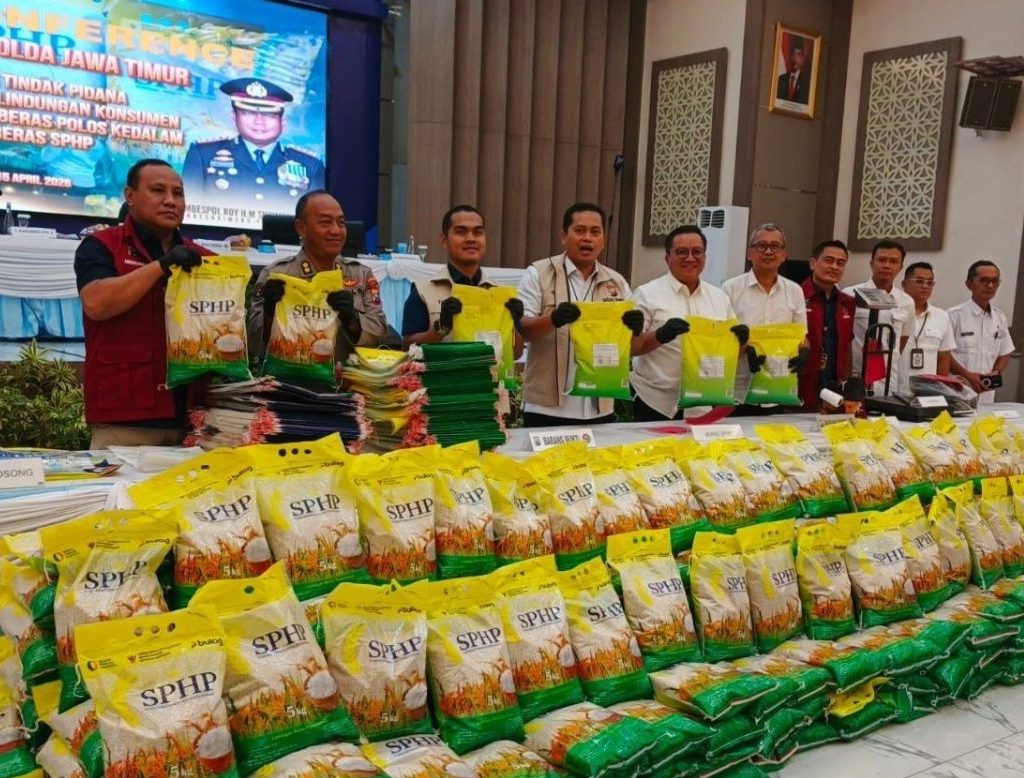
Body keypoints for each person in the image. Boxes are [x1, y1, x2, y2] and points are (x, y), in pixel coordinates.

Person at [74, 158, 213, 448]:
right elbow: (97, 303)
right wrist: (161, 266)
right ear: (130, 196)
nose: (170, 201)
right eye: (158, 190)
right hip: (126, 414)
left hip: (194, 418)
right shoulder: (102, 245)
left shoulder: (205, 258)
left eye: (178, 193)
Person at [517, 202, 632, 427]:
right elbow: (523, 329)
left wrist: (633, 329)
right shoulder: (538, 273)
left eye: (595, 232)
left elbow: (631, 347)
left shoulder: (617, 282)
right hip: (546, 408)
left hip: (599, 408)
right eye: (579, 231)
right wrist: (553, 319)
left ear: (603, 240)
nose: (587, 238)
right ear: (563, 236)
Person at [247, 190, 387, 370]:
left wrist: (353, 321)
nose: (336, 231)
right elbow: (253, 345)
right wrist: (269, 313)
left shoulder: (361, 275)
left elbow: (380, 336)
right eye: (325, 223)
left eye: (341, 223)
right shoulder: (276, 275)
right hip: (290, 380)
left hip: (346, 380)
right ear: (301, 228)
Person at [630, 225, 746, 422]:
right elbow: (632, 348)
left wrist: (741, 343)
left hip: (703, 403)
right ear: (667, 257)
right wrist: (660, 335)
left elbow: (732, 355)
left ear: (705, 257)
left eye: (697, 252)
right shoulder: (646, 294)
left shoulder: (720, 298)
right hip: (654, 402)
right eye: (682, 252)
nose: (690, 258)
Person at [182, 78, 325, 213]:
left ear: (283, 122)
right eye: (248, 113)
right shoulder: (203, 155)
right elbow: (188, 214)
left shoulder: (310, 165)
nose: (259, 122)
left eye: (269, 115)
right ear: (234, 117)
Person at [402, 205, 523, 357]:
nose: (471, 239)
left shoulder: (500, 294)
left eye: (478, 232)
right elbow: (406, 348)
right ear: (444, 240)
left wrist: (517, 325)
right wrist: (440, 329)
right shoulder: (423, 291)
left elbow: (516, 354)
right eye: (461, 232)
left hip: (489, 373)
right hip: (442, 373)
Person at [722, 223, 808, 411]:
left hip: (778, 390)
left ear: (784, 254)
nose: (768, 252)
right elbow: (720, 342)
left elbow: (802, 337)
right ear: (749, 253)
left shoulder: (795, 291)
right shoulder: (730, 289)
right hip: (738, 392)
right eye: (761, 246)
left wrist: (804, 351)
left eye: (775, 246)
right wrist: (745, 348)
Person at [843, 239, 915, 394]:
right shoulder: (849, 294)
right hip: (855, 377)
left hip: (887, 381)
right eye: (882, 260)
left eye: (893, 262)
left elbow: (902, 340)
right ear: (871, 263)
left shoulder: (907, 302)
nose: (887, 265)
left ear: (900, 267)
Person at [948, 260, 1016, 404]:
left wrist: (996, 372)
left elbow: (1006, 351)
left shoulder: (1000, 317)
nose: (990, 286)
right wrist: (967, 375)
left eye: (995, 281)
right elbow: (943, 354)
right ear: (969, 284)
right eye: (984, 280)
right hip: (958, 392)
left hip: (987, 395)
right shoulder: (953, 316)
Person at [800, 240, 856, 410]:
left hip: (834, 390)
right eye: (828, 260)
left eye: (840, 263)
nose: (834, 267)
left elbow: (847, 346)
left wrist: (847, 384)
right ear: (813, 263)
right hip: (800, 387)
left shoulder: (847, 302)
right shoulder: (796, 296)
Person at [898, 261, 956, 392]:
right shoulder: (894, 312)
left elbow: (943, 358)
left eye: (930, 283)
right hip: (895, 389)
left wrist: (941, 390)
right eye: (919, 281)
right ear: (904, 284)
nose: (925, 286)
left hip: (928, 393)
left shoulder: (942, 316)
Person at [776, 38, 810, 103]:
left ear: (802, 58)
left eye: (798, 55)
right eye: (793, 54)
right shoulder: (781, 79)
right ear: (790, 56)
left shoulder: (806, 84)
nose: (795, 58)